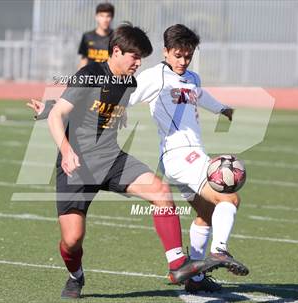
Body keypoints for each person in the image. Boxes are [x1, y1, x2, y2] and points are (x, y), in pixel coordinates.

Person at [33, 24, 217, 299]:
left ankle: (178, 263)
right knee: (72, 241)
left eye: (141, 57)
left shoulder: (129, 82)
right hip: (77, 166)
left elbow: (100, 107)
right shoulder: (90, 74)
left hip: (110, 158)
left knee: (160, 190)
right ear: (116, 51)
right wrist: (66, 147)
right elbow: (58, 114)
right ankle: (75, 275)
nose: (138, 62)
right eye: (134, 56)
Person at [128, 24, 249, 293]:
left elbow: (200, 95)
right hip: (180, 156)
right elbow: (127, 95)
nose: (183, 61)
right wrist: (111, 111)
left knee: (206, 213)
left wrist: (222, 109)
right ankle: (219, 251)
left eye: (188, 56)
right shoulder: (154, 76)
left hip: (190, 156)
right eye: (178, 55)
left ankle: (194, 278)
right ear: (166, 52)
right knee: (229, 197)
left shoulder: (192, 77)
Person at [77, 2, 114, 69]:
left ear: (112, 18)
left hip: (108, 77)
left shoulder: (116, 37)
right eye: (102, 16)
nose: (105, 20)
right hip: (90, 76)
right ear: (96, 17)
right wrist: (79, 77)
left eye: (108, 16)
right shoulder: (87, 36)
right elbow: (83, 60)